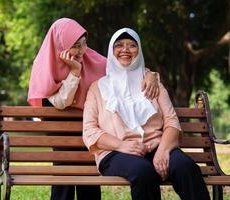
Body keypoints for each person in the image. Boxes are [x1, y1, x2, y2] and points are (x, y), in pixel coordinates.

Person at [28, 18, 159, 200]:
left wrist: (150, 74)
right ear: (60, 44)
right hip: (61, 129)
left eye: (83, 44)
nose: (82, 51)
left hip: (90, 126)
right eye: (75, 46)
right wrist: (75, 72)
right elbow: (60, 103)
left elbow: (124, 68)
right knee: (64, 167)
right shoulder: (45, 66)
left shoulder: (92, 59)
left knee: (88, 173)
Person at [83, 27, 210, 200]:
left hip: (157, 147)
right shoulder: (97, 88)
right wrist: (122, 146)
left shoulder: (153, 84)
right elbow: (90, 131)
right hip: (114, 153)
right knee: (143, 172)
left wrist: (163, 151)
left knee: (185, 167)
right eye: (119, 45)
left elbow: (171, 122)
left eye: (132, 45)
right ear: (111, 51)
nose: (125, 50)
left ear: (139, 50)